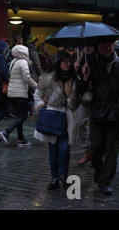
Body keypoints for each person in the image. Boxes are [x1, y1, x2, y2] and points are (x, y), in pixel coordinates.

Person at [77, 41, 119, 195]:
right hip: (97, 113)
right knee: (96, 147)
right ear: (98, 47)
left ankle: (106, 181)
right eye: (103, 45)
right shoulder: (92, 64)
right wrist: (83, 76)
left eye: (109, 44)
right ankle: (99, 172)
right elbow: (81, 90)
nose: (107, 47)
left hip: (116, 113)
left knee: (112, 149)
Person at [33, 50, 78, 190]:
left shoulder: (74, 78)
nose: (67, 64)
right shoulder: (47, 79)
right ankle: (54, 178)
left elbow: (78, 98)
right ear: (58, 62)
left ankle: (63, 176)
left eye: (69, 61)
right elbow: (37, 95)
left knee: (65, 149)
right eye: (64, 61)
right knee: (53, 150)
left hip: (67, 117)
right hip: (52, 117)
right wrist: (41, 106)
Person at [0, 44, 38, 145]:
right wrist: (36, 86)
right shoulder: (23, 62)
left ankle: (21, 139)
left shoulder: (14, 61)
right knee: (23, 115)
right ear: (24, 52)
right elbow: (26, 78)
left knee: (19, 116)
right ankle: (6, 132)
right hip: (20, 93)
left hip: (12, 93)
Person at [73, 46, 96, 166]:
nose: (86, 49)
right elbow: (78, 84)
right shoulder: (80, 61)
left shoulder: (98, 60)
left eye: (89, 46)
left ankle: (96, 152)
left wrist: (88, 76)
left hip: (97, 99)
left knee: (95, 127)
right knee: (80, 124)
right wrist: (76, 70)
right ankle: (87, 151)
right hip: (84, 98)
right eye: (83, 47)